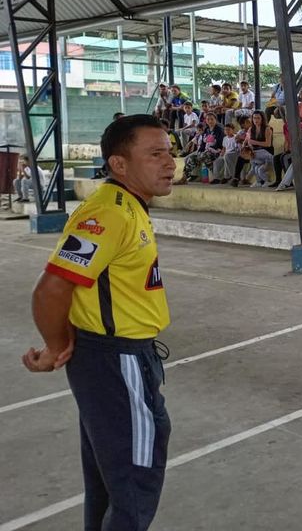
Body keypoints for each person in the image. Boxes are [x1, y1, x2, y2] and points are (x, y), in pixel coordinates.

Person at [23, 114, 175, 530]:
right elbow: (51, 289)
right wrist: (57, 347)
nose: (169, 162)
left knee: (112, 482)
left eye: (169, 152)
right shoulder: (108, 214)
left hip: (117, 359)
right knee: (135, 485)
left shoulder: (127, 206)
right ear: (119, 164)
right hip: (116, 361)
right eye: (155, 154)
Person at [181, 112, 224, 182]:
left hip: (216, 151)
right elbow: (203, 144)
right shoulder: (207, 129)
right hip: (206, 151)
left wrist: (209, 149)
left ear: (215, 120)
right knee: (192, 157)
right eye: (208, 119)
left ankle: (216, 177)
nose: (210, 121)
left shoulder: (219, 130)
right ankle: (185, 177)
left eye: (212, 119)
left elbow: (220, 143)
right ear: (206, 120)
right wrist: (200, 151)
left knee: (203, 156)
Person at [243, 110, 273, 187]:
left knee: (254, 157)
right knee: (256, 167)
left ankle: (248, 178)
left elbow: (268, 144)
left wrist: (255, 142)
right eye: (254, 118)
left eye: (258, 118)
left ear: (262, 119)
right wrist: (246, 146)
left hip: (266, 153)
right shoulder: (251, 129)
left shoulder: (267, 129)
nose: (256, 120)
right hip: (256, 153)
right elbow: (247, 140)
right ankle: (259, 181)